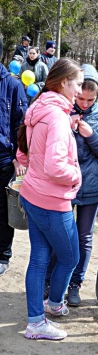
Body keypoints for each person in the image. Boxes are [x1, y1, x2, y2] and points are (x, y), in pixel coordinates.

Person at [16, 58, 83, 340]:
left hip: (32, 193)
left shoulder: (41, 107)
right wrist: (76, 176)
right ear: (64, 82)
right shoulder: (55, 117)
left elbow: (32, 150)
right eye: (78, 84)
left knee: (39, 258)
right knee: (70, 257)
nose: (80, 90)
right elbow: (55, 166)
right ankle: (52, 306)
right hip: (50, 200)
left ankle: (36, 320)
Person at [44, 64, 98, 306]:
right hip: (63, 186)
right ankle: (50, 281)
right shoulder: (61, 111)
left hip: (90, 187)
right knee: (59, 236)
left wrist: (91, 135)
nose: (84, 103)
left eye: (90, 100)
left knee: (84, 237)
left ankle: (75, 285)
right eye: (80, 98)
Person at [0, 37, 28, 277]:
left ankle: (2, 254)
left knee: (2, 209)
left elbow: (22, 125)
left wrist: (18, 157)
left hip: (5, 158)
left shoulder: (12, 85)